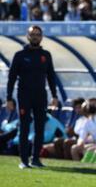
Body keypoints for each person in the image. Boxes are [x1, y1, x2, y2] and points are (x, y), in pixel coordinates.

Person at [6, 25, 58, 169]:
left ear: (41, 37)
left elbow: (51, 77)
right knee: (24, 127)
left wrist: (54, 95)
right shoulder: (20, 55)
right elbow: (11, 78)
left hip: (40, 96)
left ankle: (36, 159)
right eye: (32, 34)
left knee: (40, 127)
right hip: (24, 95)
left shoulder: (46, 55)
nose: (35, 36)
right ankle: (23, 161)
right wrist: (9, 98)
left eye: (37, 34)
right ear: (28, 37)